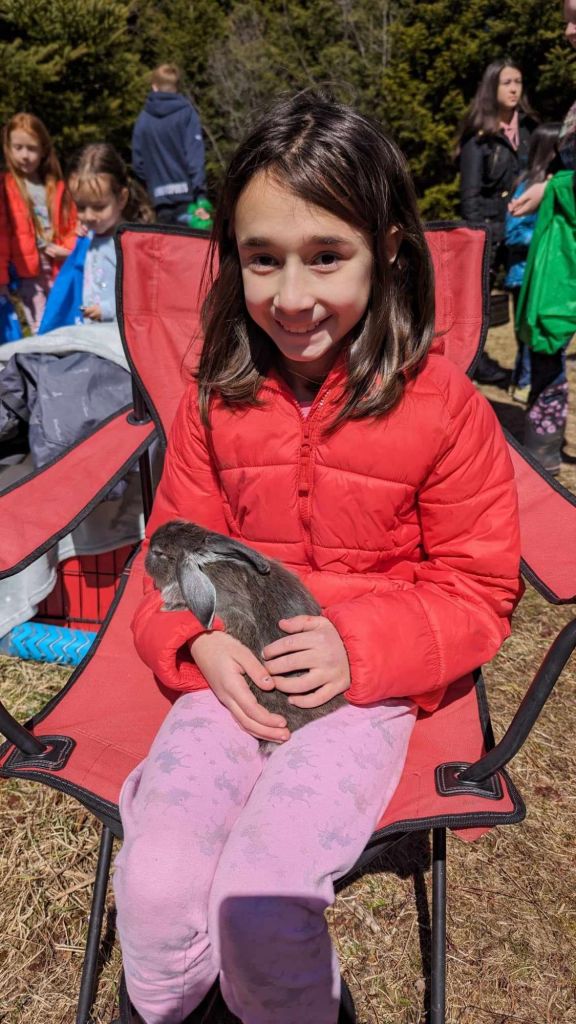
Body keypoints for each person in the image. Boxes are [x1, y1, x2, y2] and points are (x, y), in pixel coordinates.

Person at [113, 93, 522, 1024]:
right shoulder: (215, 397)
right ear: (234, 260)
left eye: (327, 256)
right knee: (155, 885)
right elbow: (170, 562)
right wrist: (194, 642)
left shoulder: (443, 409)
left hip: (360, 694)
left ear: (388, 249)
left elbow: (479, 591)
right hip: (226, 676)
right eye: (263, 259)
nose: (291, 297)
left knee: (260, 905)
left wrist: (359, 648)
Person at [507, 0, 576, 474]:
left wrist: (550, 188)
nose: (568, 32)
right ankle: (544, 447)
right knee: (548, 339)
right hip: (563, 242)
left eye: (575, 18)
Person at [457, 60, 538, 385]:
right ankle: (475, 366)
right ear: (492, 88)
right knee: (478, 308)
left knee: (526, 305)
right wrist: (482, 237)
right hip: (489, 232)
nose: (514, 89)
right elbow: (470, 197)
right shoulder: (478, 138)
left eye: (518, 81)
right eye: (507, 82)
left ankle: (526, 372)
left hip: (525, 232)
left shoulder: (530, 131)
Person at [0, 113, 77, 332]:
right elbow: (2, 235)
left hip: (57, 264)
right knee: (40, 325)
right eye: (18, 148)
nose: (25, 155)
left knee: (63, 318)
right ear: (8, 148)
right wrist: (1, 278)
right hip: (27, 272)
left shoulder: (56, 186)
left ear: (43, 150)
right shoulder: (6, 187)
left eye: (32, 148)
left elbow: (73, 224)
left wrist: (67, 251)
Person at [504, 122, 563, 403]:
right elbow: (513, 232)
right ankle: (524, 383)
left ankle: (522, 381)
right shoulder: (527, 186)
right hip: (523, 275)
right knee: (527, 336)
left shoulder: (558, 187)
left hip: (546, 276)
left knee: (538, 338)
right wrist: (545, 237)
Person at [66, 143, 152, 322]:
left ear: (121, 198)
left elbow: (143, 294)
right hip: (92, 331)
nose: (88, 216)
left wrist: (107, 310)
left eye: (99, 207)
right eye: (81, 207)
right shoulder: (90, 235)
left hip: (117, 333)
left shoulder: (130, 244)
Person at [131, 63, 209, 227]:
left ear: (154, 87)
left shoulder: (143, 119)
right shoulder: (187, 113)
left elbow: (138, 164)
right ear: (176, 87)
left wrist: (152, 185)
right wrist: (200, 193)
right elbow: (195, 158)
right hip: (188, 199)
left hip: (159, 201)